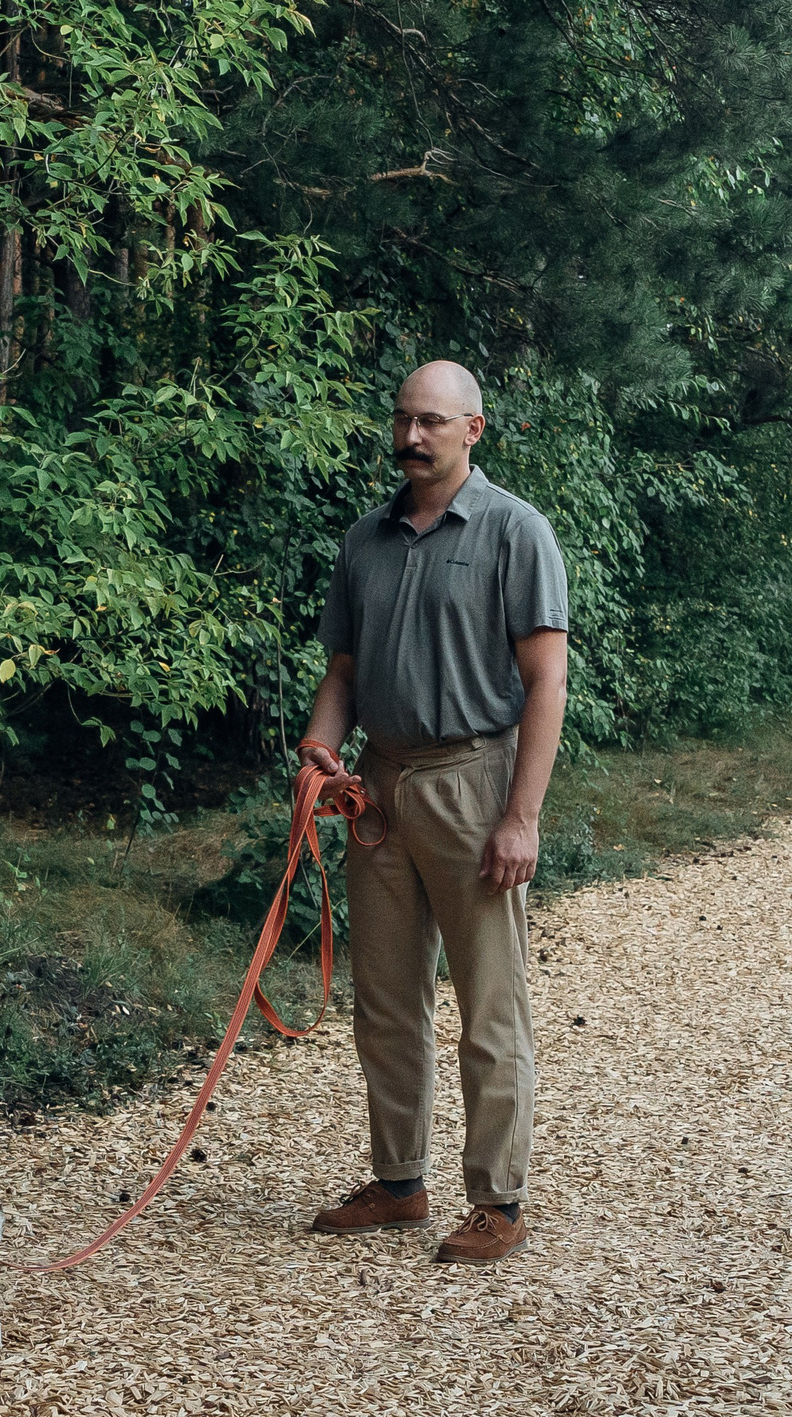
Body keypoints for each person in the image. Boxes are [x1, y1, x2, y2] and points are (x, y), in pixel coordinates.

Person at [298, 361, 568, 1265]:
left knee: (491, 1003)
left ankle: (499, 1198)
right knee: (384, 1002)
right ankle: (400, 1183)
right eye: (404, 420)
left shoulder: (515, 531)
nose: (413, 437)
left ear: (474, 430)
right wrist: (319, 754)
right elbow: (341, 674)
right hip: (377, 784)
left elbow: (545, 681)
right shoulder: (363, 540)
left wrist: (521, 816)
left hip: (472, 778)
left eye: (433, 423)